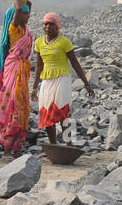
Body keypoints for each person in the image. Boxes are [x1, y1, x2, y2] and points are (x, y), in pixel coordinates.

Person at [33, 12, 94, 142]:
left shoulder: (64, 42)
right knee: (46, 111)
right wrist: (34, 88)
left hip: (62, 79)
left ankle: (69, 144)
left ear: (57, 26)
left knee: (62, 111)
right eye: (45, 24)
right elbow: (39, 66)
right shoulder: (38, 43)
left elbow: (75, 64)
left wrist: (87, 84)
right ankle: (53, 144)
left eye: (51, 24)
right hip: (47, 80)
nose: (47, 27)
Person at [0, 0, 34, 156]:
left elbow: (25, 5)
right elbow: (17, 8)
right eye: (25, 13)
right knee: (13, 106)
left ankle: (17, 146)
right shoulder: (14, 29)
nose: (28, 15)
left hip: (22, 72)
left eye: (28, 12)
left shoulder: (25, 30)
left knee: (23, 107)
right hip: (14, 69)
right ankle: (7, 148)